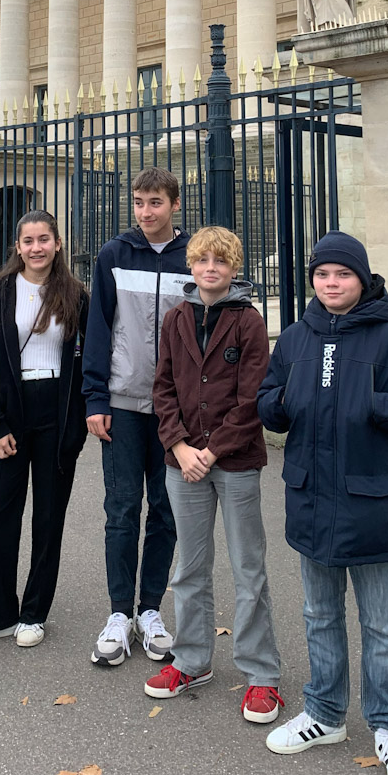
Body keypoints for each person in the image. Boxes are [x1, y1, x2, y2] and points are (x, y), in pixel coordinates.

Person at [258, 231, 388, 775]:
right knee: (319, 617)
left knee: (382, 627)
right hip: (311, 503)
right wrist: (283, 400)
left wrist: (373, 403)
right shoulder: (296, 337)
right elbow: (269, 404)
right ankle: (325, 714)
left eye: (342, 275)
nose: (331, 284)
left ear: (362, 280)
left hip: (368, 506)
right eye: (322, 275)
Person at [146, 227, 282, 723]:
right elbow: (161, 387)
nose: (210, 268)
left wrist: (210, 451)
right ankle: (192, 659)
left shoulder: (247, 322)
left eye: (220, 262)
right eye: (202, 260)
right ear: (190, 265)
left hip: (236, 462)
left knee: (249, 569)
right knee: (190, 568)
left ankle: (261, 674)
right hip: (182, 462)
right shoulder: (175, 319)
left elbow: (254, 399)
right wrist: (180, 446)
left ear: (233, 268)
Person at [0, 211, 88, 648]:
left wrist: (77, 427)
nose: (37, 248)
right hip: (10, 415)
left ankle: (34, 612)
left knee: (49, 519)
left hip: (57, 412)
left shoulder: (75, 294)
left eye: (44, 239)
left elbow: (87, 363)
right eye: (28, 240)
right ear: (17, 247)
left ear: (57, 243)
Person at [82, 167, 192, 667]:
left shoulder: (193, 256)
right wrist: (95, 400)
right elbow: (98, 329)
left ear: (174, 205)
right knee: (122, 510)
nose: (146, 212)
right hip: (123, 404)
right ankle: (118, 613)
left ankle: (151, 610)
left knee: (166, 513)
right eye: (139, 202)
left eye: (155, 203)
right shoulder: (113, 254)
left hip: (175, 411)